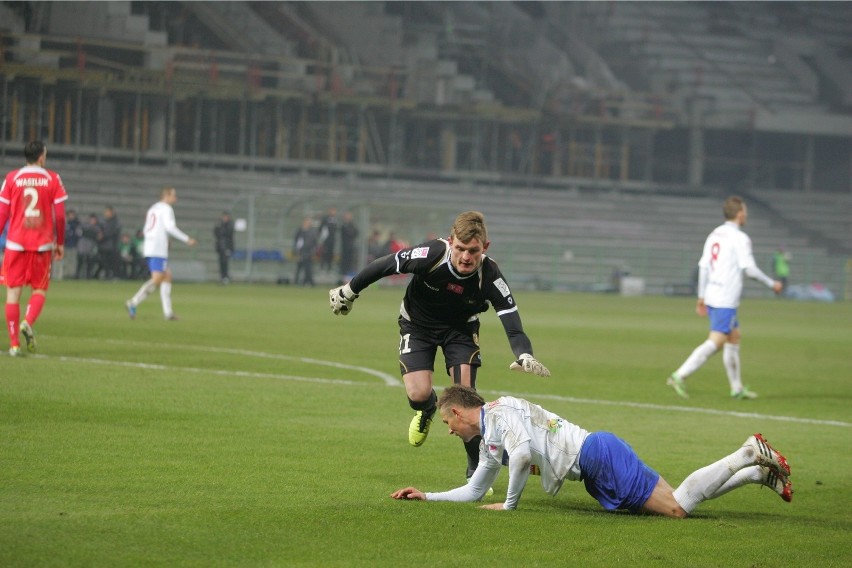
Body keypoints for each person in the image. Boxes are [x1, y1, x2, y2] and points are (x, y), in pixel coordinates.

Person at [329, 211, 550, 479]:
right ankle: (427, 408)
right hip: (417, 325)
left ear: (485, 248)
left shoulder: (490, 274)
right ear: (450, 241)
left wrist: (524, 353)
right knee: (418, 394)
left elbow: (511, 319)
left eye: (473, 250)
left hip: (460, 331)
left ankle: (475, 469)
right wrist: (349, 291)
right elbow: (386, 265)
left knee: (466, 400)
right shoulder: (432, 254)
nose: (466, 257)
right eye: (460, 248)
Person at [391, 386, 793, 515]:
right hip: (595, 466)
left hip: (597, 455)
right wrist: (427, 495)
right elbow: (476, 490)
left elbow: (525, 456)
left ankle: (745, 453)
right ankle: (757, 472)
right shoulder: (493, 429)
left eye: (446, 422)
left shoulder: (501, 413)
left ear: (458, 412)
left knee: (677, 508)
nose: (448, 430)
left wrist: (510, 505)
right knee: (677, 503)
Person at [666, 196, 782, 400]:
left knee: (733, 337)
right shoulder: (740, 238)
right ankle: (679, 375)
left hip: (712, 294)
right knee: (716, 341)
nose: (746, 215)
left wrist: (701, 296)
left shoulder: (714, 234)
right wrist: (772, 284)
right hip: (725, 298)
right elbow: (750, 270)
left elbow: (703, 266)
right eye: (745, 211)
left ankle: (736, 389)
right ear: (739, 214)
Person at [0, 140, 68, 356]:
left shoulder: (12, 178)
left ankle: (14, 345)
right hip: (42, 244)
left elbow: (2, 213)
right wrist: (60, 243)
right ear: (41, 157)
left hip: (15, 243)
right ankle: (27, 322)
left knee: (13, 293)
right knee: (39, 289)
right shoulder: (52, 178)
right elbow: (60, 215)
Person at [125, 187, 197, 320]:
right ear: (167, 195)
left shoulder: (153, 208)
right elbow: (170, 227)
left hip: (151, 246)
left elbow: (147, 229)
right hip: (157, 248)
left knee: (167, 276)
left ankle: (168, 313)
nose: (176, 198)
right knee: (157, 279)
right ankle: (132, 302)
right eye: (174, 195)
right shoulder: (167, 209)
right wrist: (187, 239)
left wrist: (162, 239)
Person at [95, 205, 121, 280]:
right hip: (103, 246)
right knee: (104, 262)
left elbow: (113, 232)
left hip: (111, 246)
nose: (106, 213)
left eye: (108, 212)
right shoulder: (103, 221)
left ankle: (113, 276)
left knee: (111, 262)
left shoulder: (115, 222)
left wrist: (103, 236)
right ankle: (107, 275)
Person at [293, 216, 318, 287]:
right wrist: (297, 252)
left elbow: (313, 242)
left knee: (308, 268)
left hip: (308, 252)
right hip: (301, 252)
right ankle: (297, 282)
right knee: (299, 268)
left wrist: (313, 251)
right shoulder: (300, 231)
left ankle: (308, 282)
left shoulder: (312, 232)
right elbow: (297, 242)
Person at [76, 213, 100, 279]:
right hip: (82, 247)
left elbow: (96, 235)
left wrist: (86, 233)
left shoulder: (97, 228)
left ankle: (88, 276)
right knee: (80, 263)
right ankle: (77, 275)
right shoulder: (83, 225)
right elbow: (79, 232)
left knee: (89, 263)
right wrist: (90, 234)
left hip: (90, 248)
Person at [214, 211, 235, 284]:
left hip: (227, 246)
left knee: (225, 262)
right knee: (221, 262)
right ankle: (222, 276)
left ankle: (226, 277)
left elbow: (229, 236)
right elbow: (216, 233)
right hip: (220, 247)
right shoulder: (219, 224)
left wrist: (229, 248)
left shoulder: (229, 225)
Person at [338, 210, 359, 282]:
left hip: (350, 247)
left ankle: (349, 279)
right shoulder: (343, 225)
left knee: (350, 263)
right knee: (344, 263)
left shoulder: (352, 225)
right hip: (344, 248)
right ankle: (343, 279)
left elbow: (355, 232)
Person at [317, 207, 338, 272]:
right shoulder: (325, 219)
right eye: (332, 211)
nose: (333, 212)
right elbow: (320, 228)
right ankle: (322, 266)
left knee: (330, 253)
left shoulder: (336, 219)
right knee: (324, 253)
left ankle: (329, 267)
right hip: (326, 240)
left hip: (332, 240)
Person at [61, 208, 80, 280]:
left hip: (74, 245)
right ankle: (66, 274)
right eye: (69, 215)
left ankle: (72, 274)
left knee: (73, 260)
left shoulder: (77, 224)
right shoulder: (66, 224)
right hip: (67, 244)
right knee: (67, 260)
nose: (71, 216)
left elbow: (77, 234)